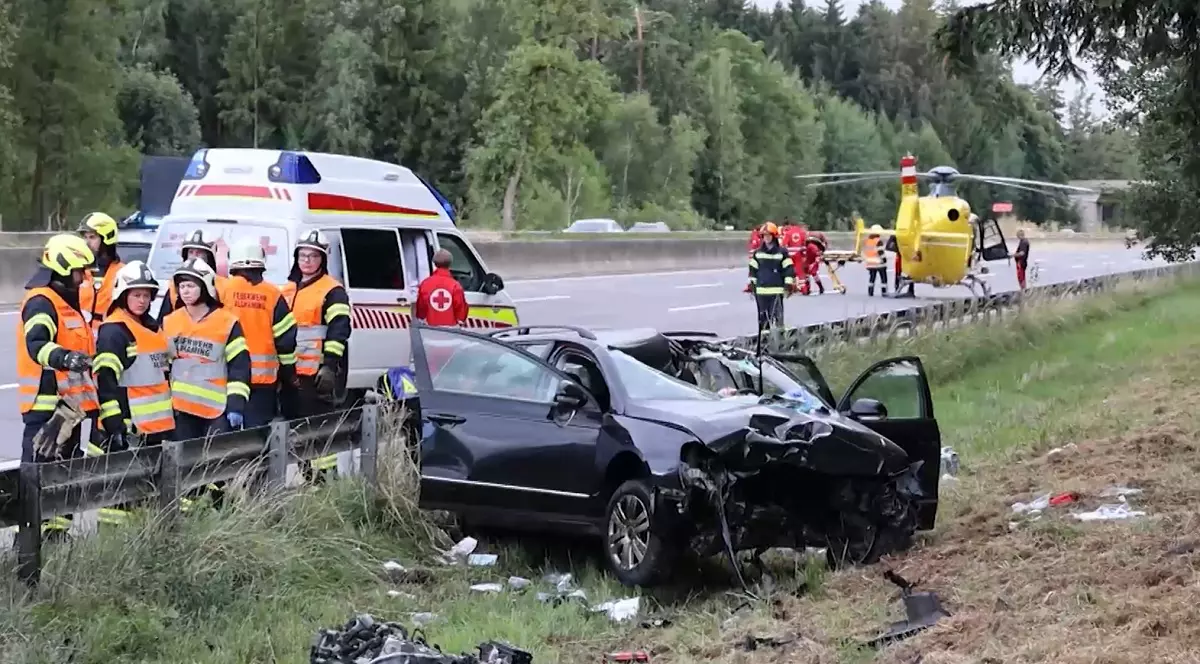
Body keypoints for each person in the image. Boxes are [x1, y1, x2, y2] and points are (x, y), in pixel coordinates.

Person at [17, 234, 100, 537]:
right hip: (47, 409)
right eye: (80, 272)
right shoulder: (42, 302)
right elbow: (36, 344)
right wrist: (65, 357)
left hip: (69, 410)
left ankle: (56, 538)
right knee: (38, 480)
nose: (83, 278)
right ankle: (29, 548)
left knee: (63, 478)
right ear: (64, 268)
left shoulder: (68, 303)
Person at [91, 261, 175, 526]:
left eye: (146, 295)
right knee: (119, 500)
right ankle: (114, 549)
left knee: (144, 494)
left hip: (153, 428)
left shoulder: (152, 328)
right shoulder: (115, 330)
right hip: (127, 428)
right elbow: (106, 380)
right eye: (136, 294)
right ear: (122, 295)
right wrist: (115, 423)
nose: (142, 300)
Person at [280, 230, 351, 483]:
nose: (307, 261)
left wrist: (330, 366)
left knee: (318, 429)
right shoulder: (287, 290)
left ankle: (324, 481)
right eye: (302, 255)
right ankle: (308, 475)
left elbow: (339, 330)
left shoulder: (333, 290)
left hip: (318, 375)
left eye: (313, 256)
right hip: (291, 373)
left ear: (323, 259)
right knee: (298, 429)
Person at [162, 258, 251, 441]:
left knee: (215, 465)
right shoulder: (170, 321)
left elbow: (240, 368)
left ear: (206, 287)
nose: (185, 291)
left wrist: (236, 404)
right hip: (180, 409)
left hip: (216, 410)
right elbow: (163, 366)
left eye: (191, 286)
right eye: (182, 286)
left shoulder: (227, 322)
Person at [223, 239, 297, 427]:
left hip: (228, 377)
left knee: (225, 441)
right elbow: (286, 339)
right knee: (256, 437)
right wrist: (289, 373)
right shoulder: (273, 294)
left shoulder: (222, 291)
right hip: (263, 381)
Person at [158, 230, 229, 324]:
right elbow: (163, 322)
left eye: (199, 253)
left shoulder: (223, 286)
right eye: (191, 252)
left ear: (210, 256)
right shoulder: (175, 285)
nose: (194, 257)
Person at [743, 222, 797, 332]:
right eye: (764, 235)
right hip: (761, 292)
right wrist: (752, 284)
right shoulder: (758, 253)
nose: (766, 238)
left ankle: (780, 343)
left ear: (774, 236)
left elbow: (788, 269)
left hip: (776, 292)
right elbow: (753, 270)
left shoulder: (782, 252)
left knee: (778, 321)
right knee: (763, 322)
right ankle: (764, 344)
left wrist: (788, 284)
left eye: (768, 235)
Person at [77, 212, 124, 336]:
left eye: (92, 237)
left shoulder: (122, 273)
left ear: (106, 239)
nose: (86, 243)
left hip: (109, 340)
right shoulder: (77, 271)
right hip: (81, 340)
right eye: (85, 237)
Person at [414, 249, 468, 327]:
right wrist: (460, 321)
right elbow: (461, 309)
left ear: (435, 264)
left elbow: (421, 310)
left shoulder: (425, 284)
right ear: (450, 264)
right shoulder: (455, 285)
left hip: (430, 329)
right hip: (451, 331)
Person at [863, 225, 888, 296]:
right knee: (883, 279)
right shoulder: (878, 241)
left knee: (872, 278)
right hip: (879, 263)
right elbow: (880, 252)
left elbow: (866, 251)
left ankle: (870, 292)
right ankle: (884, 292)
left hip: (870, 263)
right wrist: (884, 259)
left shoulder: (868, 241)